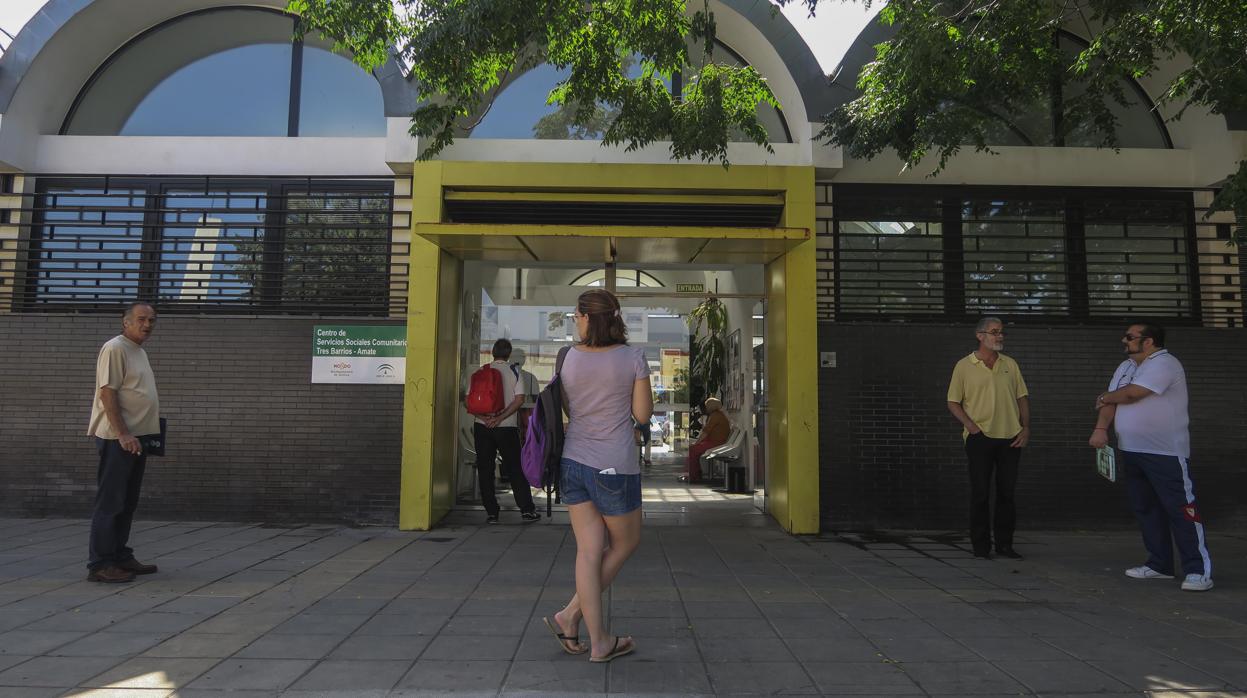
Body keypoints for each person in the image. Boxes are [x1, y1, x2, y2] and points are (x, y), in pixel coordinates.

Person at [543, 289, 651, 664]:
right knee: (625, 543)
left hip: (573, 461)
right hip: (614, 466)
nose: (575, 319)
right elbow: (642, 415)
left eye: (577, 314)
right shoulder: (633, 357)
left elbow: (570, 408)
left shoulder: (568, 357)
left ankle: (580, 622)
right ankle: (582, 624)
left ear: (589, 317)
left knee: (588, 551)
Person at [1089, 322, 1213, 591]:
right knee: (1146, 509)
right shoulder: (1125, 367)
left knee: (1181, 509)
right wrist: (1101, 429)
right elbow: (1111, 402)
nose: (1124, 340)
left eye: (1130, 337)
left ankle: (1198, 570)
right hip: (1131, 450)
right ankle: (1160, 565)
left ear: (1148, 342)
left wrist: (1106, 395)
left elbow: (1132, 394)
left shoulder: (1165, 363)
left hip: (1165, 452)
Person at [86, 302, 162, 583]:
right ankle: (100, 563)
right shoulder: (115, 347)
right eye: (141, 319)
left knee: (127, 502)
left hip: (137, 439)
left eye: (152, 320)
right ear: (125, 321)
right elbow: (108, 393)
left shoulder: (137, 350)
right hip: (118, 438)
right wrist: (123, 433)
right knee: (111, 502)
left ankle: (120, 555)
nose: (147, 325)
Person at [946, 316, 1030, 560]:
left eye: (1001, 332)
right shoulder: (964, 365)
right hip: (980, 438)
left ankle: (1005, 545)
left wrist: (1025, 428)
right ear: (980, 335)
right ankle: (980, 546)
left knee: (1007, 493)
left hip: (1011, 438)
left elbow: (1021, 398)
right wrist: (972, 427)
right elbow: (953, 402)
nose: (1000, 336)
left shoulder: (1010, 364)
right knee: (980, 493)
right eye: (994, 332)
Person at [470, 338, 538, 524]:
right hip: (506, 427)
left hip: (482, 426)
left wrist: (486, 419)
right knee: (515, 468)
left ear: (493, 352)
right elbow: (520, 399)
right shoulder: (514, 371)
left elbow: (470, 402)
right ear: (508, 354)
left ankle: (492, 513)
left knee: (485, 469)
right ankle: (526, 510)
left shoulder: (481, 372)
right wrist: (500, 418)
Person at [682, 397, 729, 483]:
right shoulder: (718, 415)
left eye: (707, 406)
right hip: (717, 441)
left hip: (715, 443)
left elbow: (705, 432)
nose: (706, 408)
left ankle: (693, 476)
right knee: (693, 450)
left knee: (692, 450)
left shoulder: (715, 416)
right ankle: (694, 474)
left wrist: (697, 443)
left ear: (711, 407)